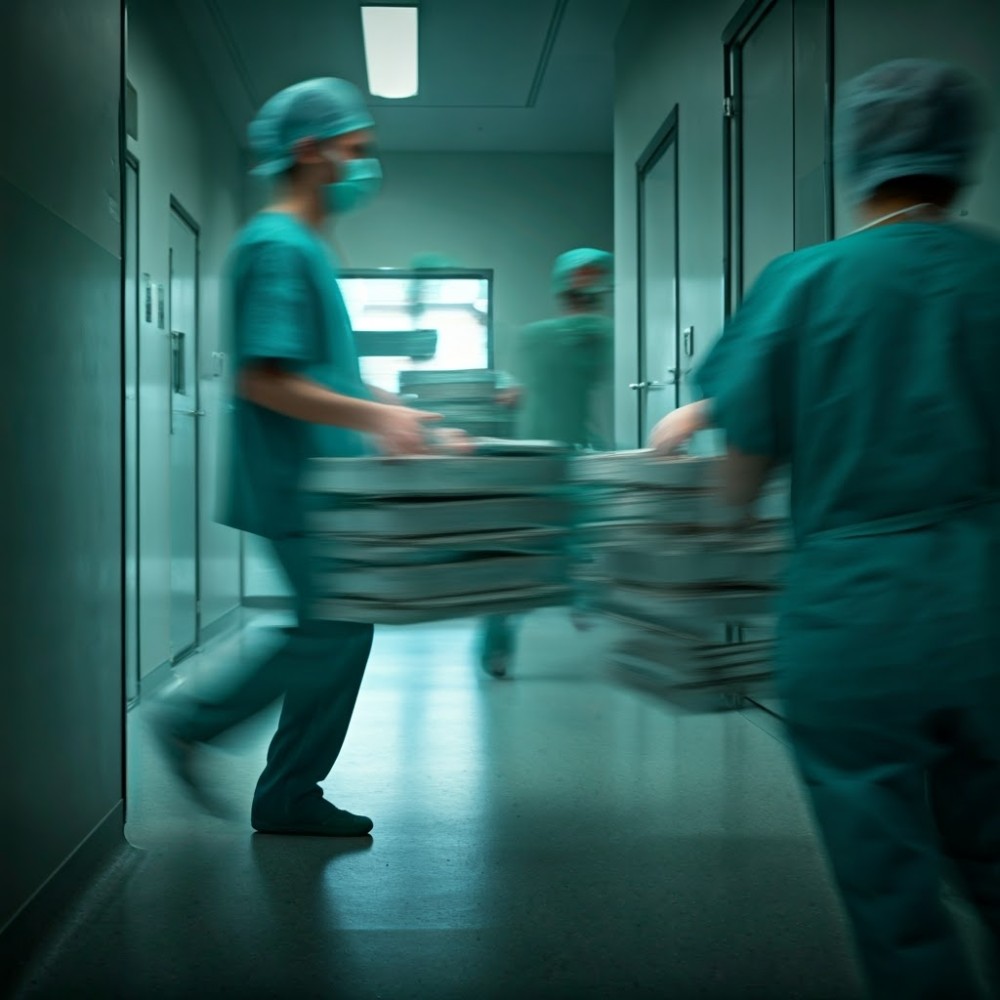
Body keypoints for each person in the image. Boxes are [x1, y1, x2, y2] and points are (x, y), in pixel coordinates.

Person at [653, 59, 1000, 997]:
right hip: (988, 610)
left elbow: (734, 490)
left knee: (893, 892)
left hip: (856, 624)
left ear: (856, 159)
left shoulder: (804, 283)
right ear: (961, 159)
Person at [151, 78, 451, 838]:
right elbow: (263, 378)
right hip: (295, 482)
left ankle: (287, 792)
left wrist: (402, 417)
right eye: (357, 149)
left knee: (344, 625)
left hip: (320, 480)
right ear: (311, 152)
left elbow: (323, 374)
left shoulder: (302, 246)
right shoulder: (278, 244)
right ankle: (195, 722)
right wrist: (377, 416)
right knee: (337, 626)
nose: (366, 165)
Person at [479, 249, 615, 678]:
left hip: (541, 460)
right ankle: (578, 599)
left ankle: (503, 640)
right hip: (551, 461)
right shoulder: (595, 333)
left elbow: (544, 377)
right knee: (557, 544)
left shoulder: (540, 338)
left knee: (523, 557)